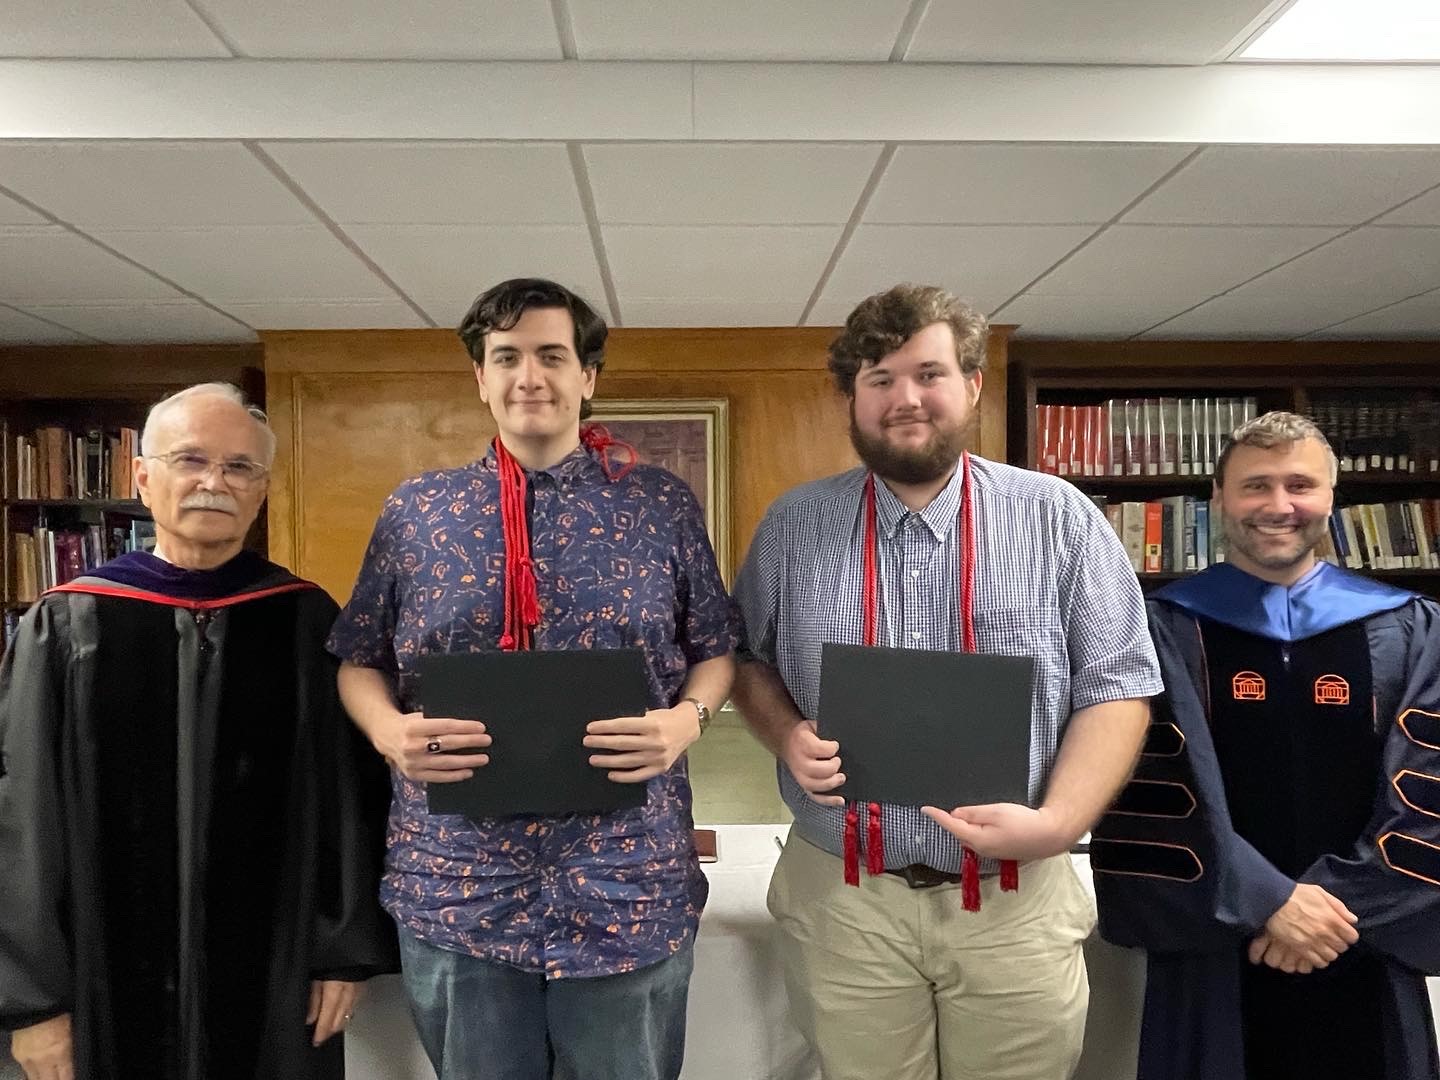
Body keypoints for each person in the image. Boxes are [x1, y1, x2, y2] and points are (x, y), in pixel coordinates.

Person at [730, 283, 1163, 1080]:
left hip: (1014, 896)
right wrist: (786, 734)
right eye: (879, 379)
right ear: (850, 398)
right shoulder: (793, 525)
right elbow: (749, 662)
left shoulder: (1059, 518)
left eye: (928, 374)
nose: (906, 399)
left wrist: (1062, 822)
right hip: (844, 900)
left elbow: (1119, 684)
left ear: (970, 384)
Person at [328, 277, 737, 1080]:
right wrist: (386, 730)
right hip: (459, 886)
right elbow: (358, 659)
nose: (529, 377)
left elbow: (716, 649)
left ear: (588, 376)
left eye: (552, 355)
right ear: (481, 378)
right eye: (506, 357)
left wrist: (687, 719)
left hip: (628, 885)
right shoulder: (417, 513)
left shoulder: (661, 505)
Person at [0, 383, 397, 1080]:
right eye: (191, 460)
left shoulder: (302, 621)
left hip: (275, 983)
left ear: (263, 489)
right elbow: (21, 818)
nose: (214, 482)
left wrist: (341, 950)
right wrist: (33, 1004)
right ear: (143, 477)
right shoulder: (66, 625)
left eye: (239, 467)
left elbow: (347, 800)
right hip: (102, 987)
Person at [1092, 411, 1440, 1080]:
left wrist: (1340, 909)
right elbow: (1155, 788)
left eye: (1300, 485)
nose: (1279, 506)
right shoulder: (1159, 629)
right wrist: (1267, 902)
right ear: (1218, 498)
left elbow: (1428, 788)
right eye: (1256, 487)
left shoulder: (1411, 627)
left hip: (1360, 939)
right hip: (1217, 943)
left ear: (1331, 499)